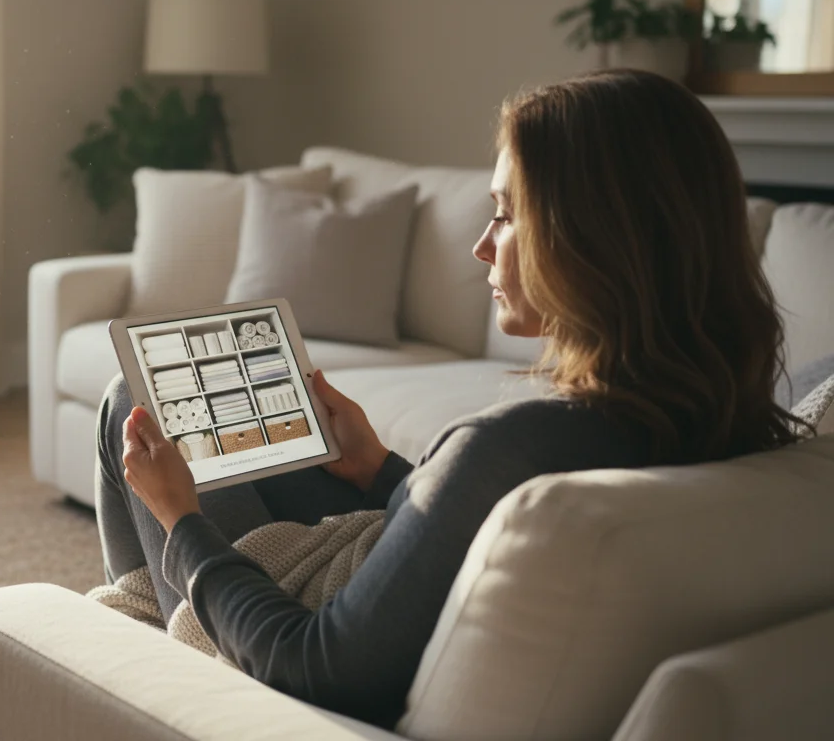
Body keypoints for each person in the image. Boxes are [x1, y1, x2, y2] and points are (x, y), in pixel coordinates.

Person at [93, 69, 807, 730]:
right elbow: (480, 545)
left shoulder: (513, 447)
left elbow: (317, 666)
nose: (480, 247)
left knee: (136, 397)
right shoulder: (721, 420)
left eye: (504, 214)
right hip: (380, 588)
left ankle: (118, 682)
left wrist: (180, 521)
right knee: (190, 410)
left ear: (589, 237)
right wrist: (381, 472)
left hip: (300, 650)